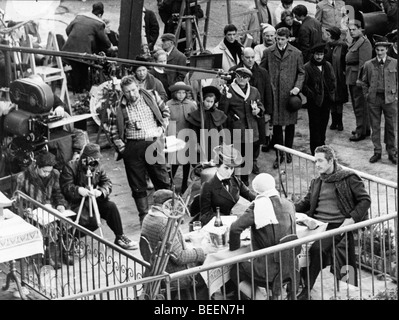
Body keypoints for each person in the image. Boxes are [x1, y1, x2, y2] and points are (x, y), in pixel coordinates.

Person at [294, 145, 371, 300]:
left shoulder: (348, 177)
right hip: (316, 223)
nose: (317, 165)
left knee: (317, 250)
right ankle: (296, 282)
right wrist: (287, 208)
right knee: (291, 243)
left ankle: (306, 290)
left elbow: (365, 200)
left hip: (337, 225)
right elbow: (306, 202)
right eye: (315, 161)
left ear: (331, 161)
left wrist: (351, 219)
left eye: (320, 161)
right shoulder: (318, 180)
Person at [109, 76, 171, 226]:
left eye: (133, 90)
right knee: (137, 184)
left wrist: (162, 128)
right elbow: (113, 131)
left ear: (138, 87)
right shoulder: (118, 107)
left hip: (153, 143)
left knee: (161, 178)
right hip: (133, 146)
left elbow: (166, 111)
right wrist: (123, 149)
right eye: (127, 92)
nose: (132, 94)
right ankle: (144, 216)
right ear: (122, 92)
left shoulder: (152, 96)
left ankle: (168, 211)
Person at [229, 173, 297, 299]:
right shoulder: (289, 204)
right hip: (291, 265)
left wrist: (234, 251)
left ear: (256, 190)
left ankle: (260, 298)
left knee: (235, 270)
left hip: (269, 270)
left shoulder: (258, 206)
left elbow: (235, 228)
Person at [60, 143, 138, 250]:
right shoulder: (71, 166)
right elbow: (66, 186)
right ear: (85, 158)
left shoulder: (97, 167)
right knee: (92, 220)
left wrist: (100, 192)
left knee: (111, 207)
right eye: (93, 158)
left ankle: (119, 236)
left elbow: (107, 182)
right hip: (76, 201)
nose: (95, 161)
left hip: (93, 198)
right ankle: (69, 237)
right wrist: (78, 190)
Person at [141, 189, 211, 300]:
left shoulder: (148, 218)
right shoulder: (165, 224)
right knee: (210, 270)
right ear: (168, 205)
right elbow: (180, 257)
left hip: (157, 270)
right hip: (174, 275)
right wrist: (203, 251)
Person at [14, 151, 72, 268]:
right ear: (36, 166)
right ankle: (46, 257)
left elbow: (57, 193)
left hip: (49, 209)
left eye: (49, 171)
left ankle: (65, 251)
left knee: (66, 221)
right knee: (45, 227)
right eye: (44, 171)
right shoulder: (23, 177)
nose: (46, 174)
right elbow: (16, 199)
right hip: (32, 212)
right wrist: (27, 209)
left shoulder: (54, 174)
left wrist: (60, 204)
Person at [260, 27, 305, 169]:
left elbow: (301, 73)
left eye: (282, 39)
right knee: (277, 125)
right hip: (274, 94)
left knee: (290, 124)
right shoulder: (268, 52)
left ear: (288, 39)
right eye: (277, 39)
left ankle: (289, 151)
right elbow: (262, 70)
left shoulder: (296, 53)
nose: (279, 41)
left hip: (289, 95)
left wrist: (297, 87)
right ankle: (279, 155)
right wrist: (266, 87)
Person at [228, 48, 273, 175]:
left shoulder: (262, 72)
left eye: (252, 57)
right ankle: (241, 165)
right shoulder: (233, 71)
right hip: (240, 117)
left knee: (256, 138)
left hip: (255, 112)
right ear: (242, 57)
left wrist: (267, 112)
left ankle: (253, 161)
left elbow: (268, 92)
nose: (250, 60)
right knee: (241, 141)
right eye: (247, 57)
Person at [219, 67, 264, 185]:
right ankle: (232, 180)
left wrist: (258, 111)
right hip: (235, 129)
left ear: (249, 79)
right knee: (234, 156)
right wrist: (231, 119)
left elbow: (260, 105)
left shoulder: (254, 91)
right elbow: (222, 112)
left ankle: (244, 181)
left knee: (247, 156)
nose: (241, 79)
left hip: (250, 128)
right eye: (238, 76)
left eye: (244, 77)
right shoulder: (228, 91)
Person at [62, 2, 117, 93]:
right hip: (83, 53)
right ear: (100, 14)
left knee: (75, 70)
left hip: (69, 49)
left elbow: (67, 30)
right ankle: (82, 92)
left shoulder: (79, 17)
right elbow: (105, 42)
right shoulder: (98, 23)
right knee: (83, 72)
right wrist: (111, 46)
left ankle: (76, 91)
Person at [199, 144, 256, 226]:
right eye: (226, 168)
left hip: (231, 222)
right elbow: (204, 216)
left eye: (232, 168)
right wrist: (228, 220)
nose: (230, 172)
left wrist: (263, 200)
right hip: (215, 225)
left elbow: (250, 196)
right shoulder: (207, 186)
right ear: (217, 167)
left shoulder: (235, 180)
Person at [361, 37, 398, 165]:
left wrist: (396, 95)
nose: (379, 52)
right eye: (377, 50)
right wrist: (367, 95)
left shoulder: (395, 63)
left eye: (382, 50)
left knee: (391, 127)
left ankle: (391, 152)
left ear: (387, 50)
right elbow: (364, 82)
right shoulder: (368, 64)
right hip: (374, 99)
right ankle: (377, 151)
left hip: (390, 99)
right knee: (375, 127)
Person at [302, 43, 336, 155]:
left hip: (326, 101)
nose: (319, 57)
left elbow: (333, 80)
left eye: (321, 54)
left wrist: (331, 92)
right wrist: (311, 95)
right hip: (314, 102)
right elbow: (304, 85)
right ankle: (315, 150)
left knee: (323, 124)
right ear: (313, 54)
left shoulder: (327, 65)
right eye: (317, 54)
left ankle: (322, 146)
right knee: (314, 126)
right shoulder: (307, 67)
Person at [165, 81, 197, 194]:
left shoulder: (191, 104)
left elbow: (196, 120)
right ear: (174, 93)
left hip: (187, 136)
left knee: (186, 162)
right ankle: (170, 182)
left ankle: (184, 183)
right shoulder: (168, 105)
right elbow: (165, 121)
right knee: (173, 162)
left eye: (183, 92)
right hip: (174, 136)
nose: (181, 95)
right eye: (178, 93)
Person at [345, 20, 372, 142]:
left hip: (358, 78)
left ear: (361, 29)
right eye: (350, 30)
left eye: (354, 29)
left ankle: (360, 131)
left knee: (359, 105)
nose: (351, 32)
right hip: (352, 75)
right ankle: (364, 129)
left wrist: (360, 80)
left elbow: (364, 64)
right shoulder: (356, 41)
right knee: (358, 105)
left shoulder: (364, 43)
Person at [187, 85, 227, 162]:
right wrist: (196, 144)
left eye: (211, 102)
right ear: (203, 100)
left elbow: (220, 129)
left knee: (214, 163)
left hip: (215, 143)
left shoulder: (217, 114)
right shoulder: (197, 114)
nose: (209, 104)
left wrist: (223, 142)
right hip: (202, 143)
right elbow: (193, 132)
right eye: (207, 101)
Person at [323, 26, 348, 132]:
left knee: (339, 99)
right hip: (329, 75)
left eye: (327, 34)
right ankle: (334, 121)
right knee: (331, 98)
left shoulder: (343, 46)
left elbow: (345, 61)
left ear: (331, 36)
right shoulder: (327, 45)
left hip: (339, 76)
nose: (325, 36)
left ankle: (340, 122)